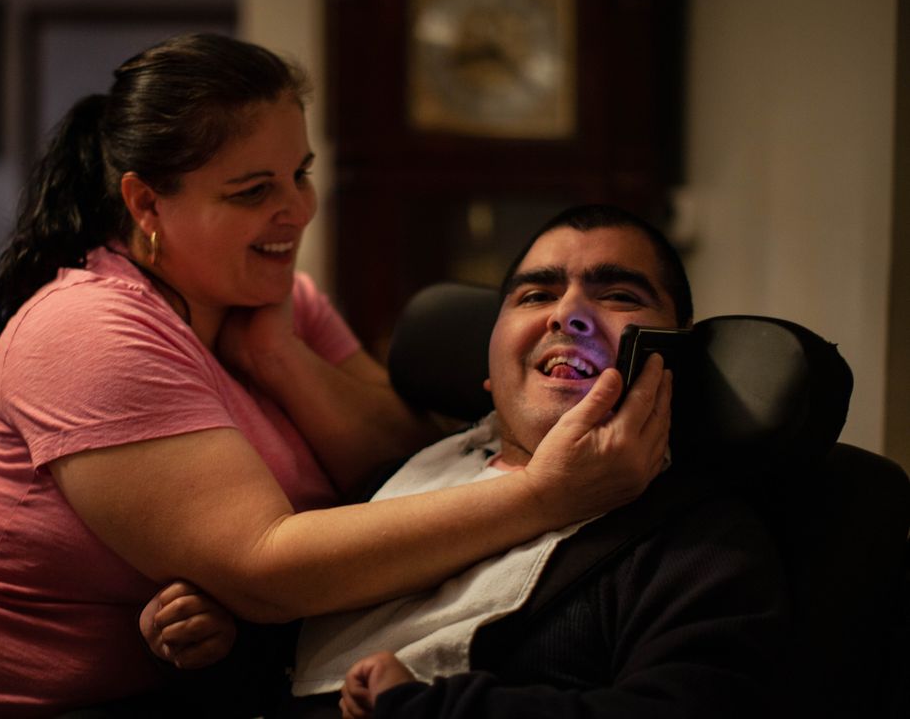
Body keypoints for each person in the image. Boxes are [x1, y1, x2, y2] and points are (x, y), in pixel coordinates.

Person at [0, 36, 672, 717]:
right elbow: (266, 570)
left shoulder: (271, 297)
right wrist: (547, 495)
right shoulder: (89, 328)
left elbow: (399, 462)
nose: (297, 212)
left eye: (302, 173)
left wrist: (278, 355)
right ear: (146, 203)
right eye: (252, 191)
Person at [287, 205, 788, 719]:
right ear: (490, 364)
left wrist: (420, 707)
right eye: (536, 295)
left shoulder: (699, 544)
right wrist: (222, 628)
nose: (566, 314)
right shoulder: (396, 480)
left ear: (676, 355)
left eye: (619, 295)